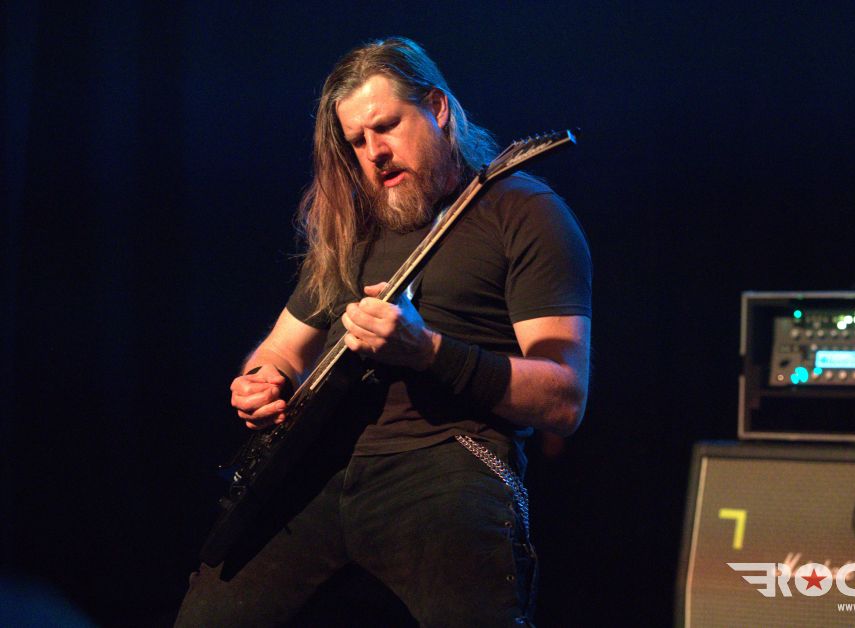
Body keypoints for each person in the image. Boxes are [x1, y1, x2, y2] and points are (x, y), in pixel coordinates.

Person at [176, 37, 591, 627]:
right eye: (357, 141)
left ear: (437, 108)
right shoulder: (352, 227)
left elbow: (564, 399)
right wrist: (261, 381)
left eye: (386, 126)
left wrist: (427, 351)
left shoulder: (524, 212)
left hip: (446, 464)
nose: (375, 153)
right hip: (315, 470)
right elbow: (280, 349)